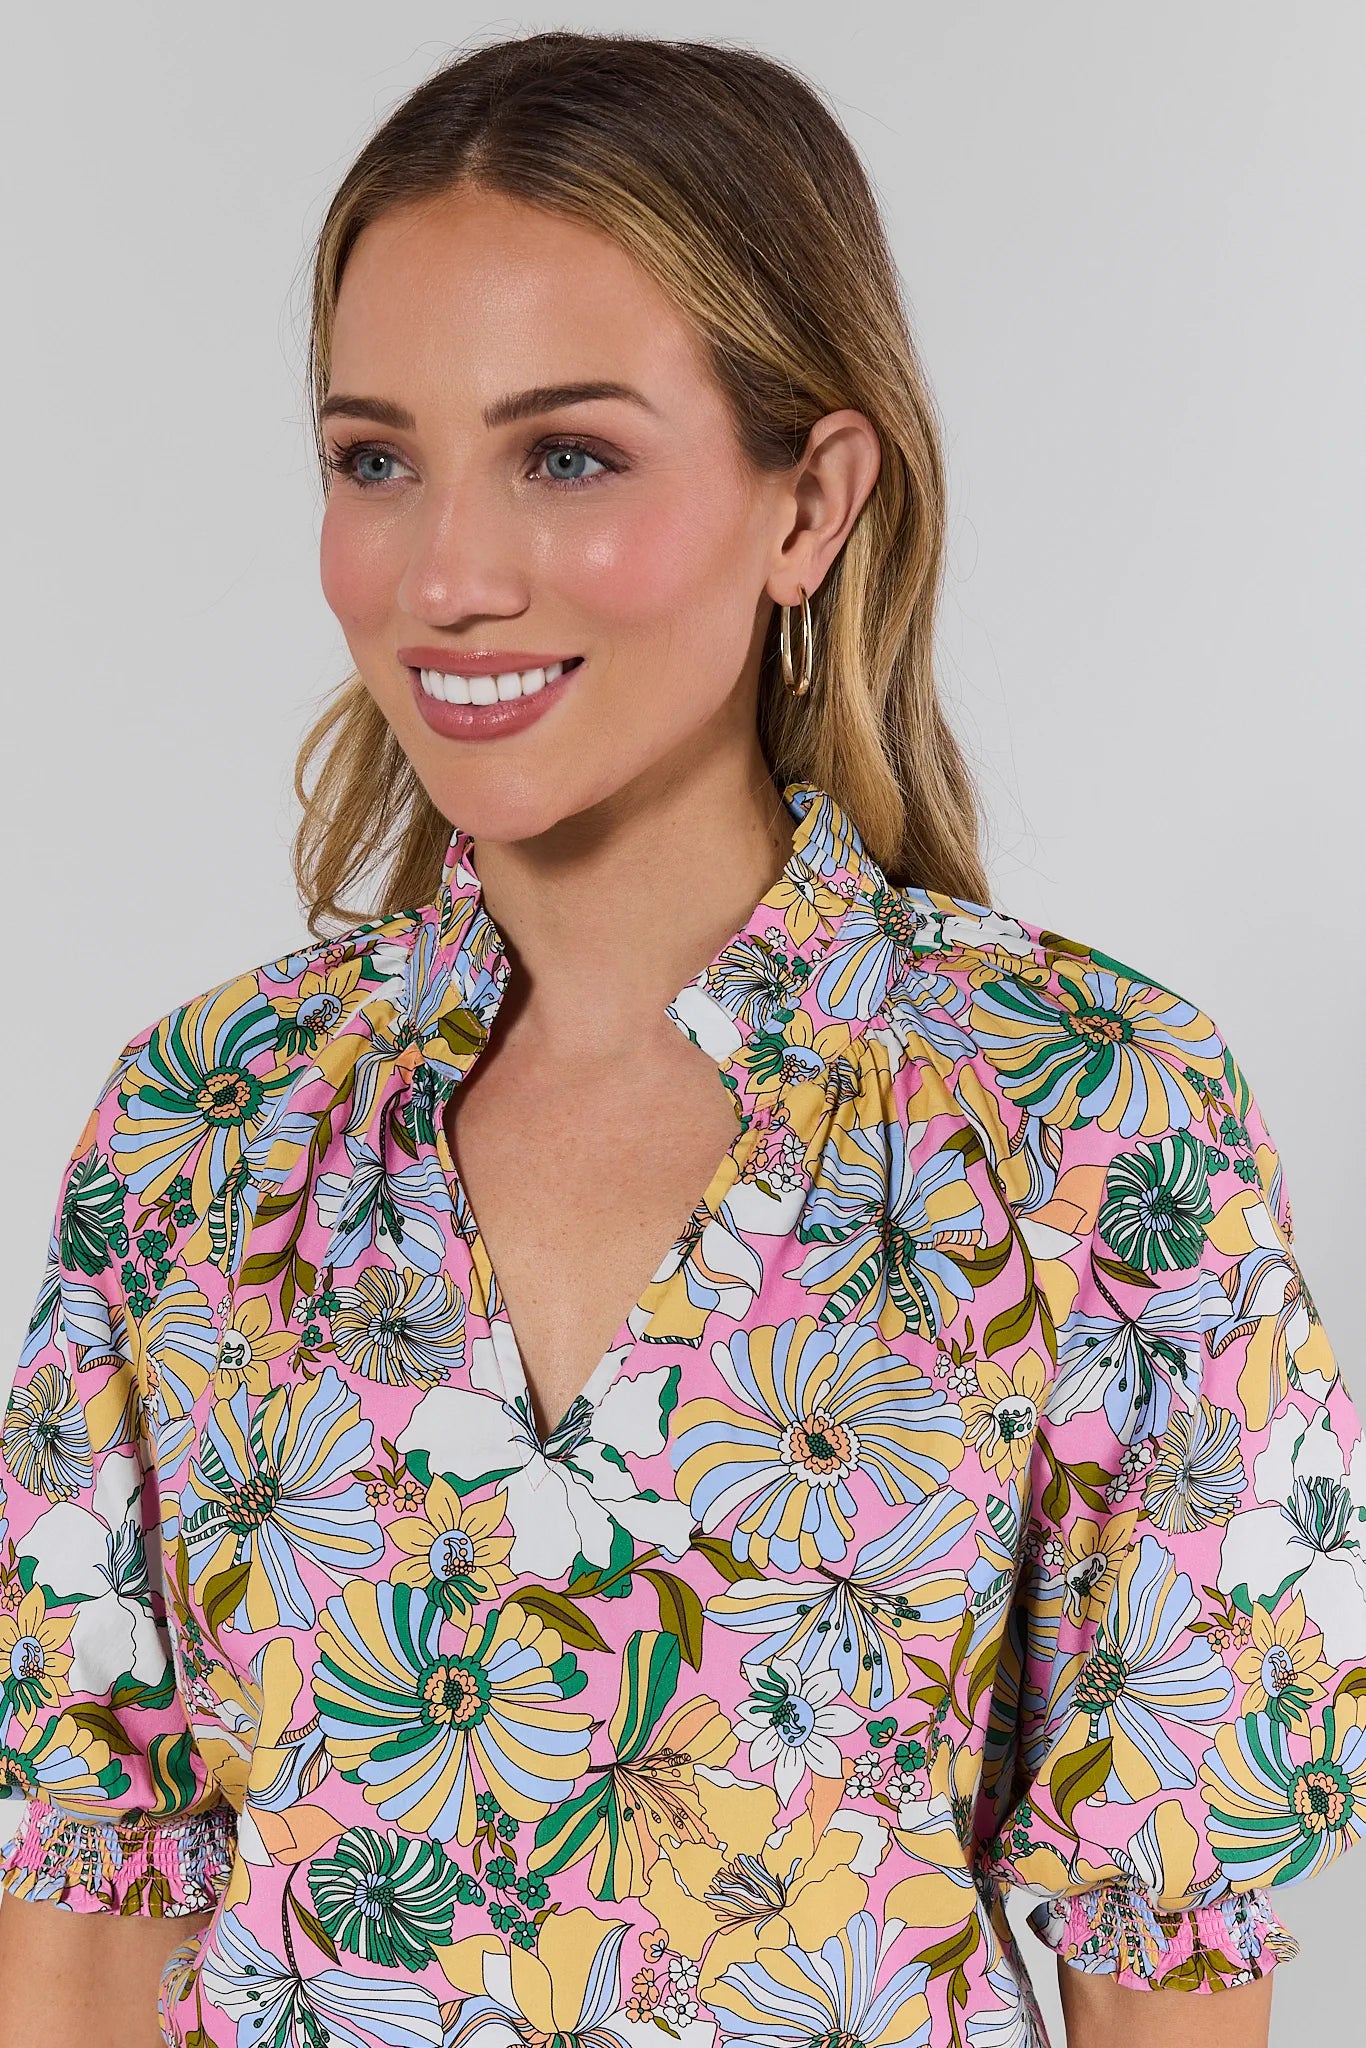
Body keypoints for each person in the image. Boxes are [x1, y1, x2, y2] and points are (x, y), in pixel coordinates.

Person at [0, 27, 1361, 2048]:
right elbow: (87, 1889)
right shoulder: (204, 1126)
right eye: (373, 459)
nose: (446, 575)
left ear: (805, 501)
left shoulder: (1092, 1120)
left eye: (565, 454)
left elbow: (1162, 1942)